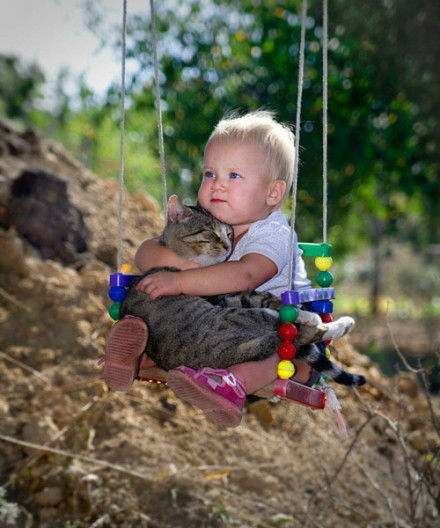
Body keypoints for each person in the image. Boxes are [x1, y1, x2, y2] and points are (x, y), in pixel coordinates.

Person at [105, 111, 321, 427]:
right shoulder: (212, 221)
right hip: (220, 327)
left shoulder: (274, 234)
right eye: (210, 174)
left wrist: (181, 282)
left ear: (272, 193)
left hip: (282, 326)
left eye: (234, 176)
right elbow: (147, 251)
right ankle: (136, 353)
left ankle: (229, 387)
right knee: (160, 303)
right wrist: (177, 266)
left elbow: (246, 275)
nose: (217, 185)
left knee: (274, 351)